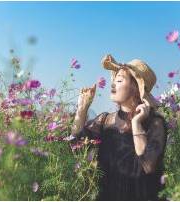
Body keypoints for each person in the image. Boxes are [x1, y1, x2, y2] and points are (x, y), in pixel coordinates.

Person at [68, 54, 168, 201]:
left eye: (119, 80)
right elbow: (75, 145)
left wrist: (136, 124)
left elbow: (148, 165)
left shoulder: (155, 123)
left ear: (135, 88)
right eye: (114, 80)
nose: (113, 84)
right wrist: (82, 109)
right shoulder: (105, 120)